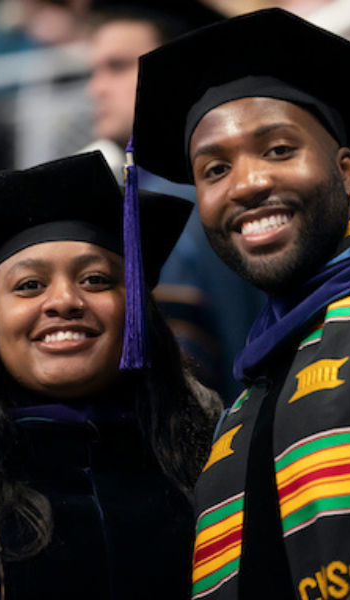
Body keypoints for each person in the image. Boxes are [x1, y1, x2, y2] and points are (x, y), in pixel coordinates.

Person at [131, 8, 350, 599]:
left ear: (346, 171)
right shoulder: (242, 406)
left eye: (279, 150)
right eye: (215, 169)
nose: (246, 185)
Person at [0, 151, 221, 599]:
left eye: (96, 280)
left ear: (135, 309)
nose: (64, 300)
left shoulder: (208, 440)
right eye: (29, 286)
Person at [86, 3, 264, 397]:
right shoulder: (234, 191)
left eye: (117, 67)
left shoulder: (165, 210)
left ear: (178, 76)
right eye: (93, 71)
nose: (94, 89)